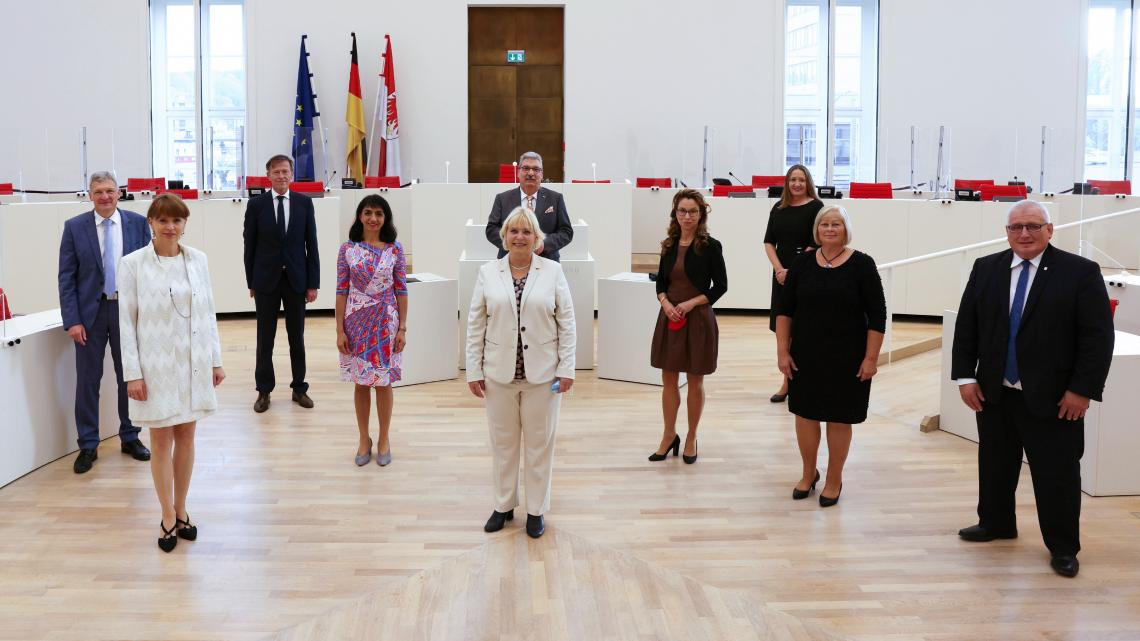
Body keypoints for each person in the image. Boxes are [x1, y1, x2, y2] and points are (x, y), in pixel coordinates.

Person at [951, 200, 1114, 578]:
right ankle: (996, 523)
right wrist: (965, 376)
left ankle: (1062, 547)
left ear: (1050, 229)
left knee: (1057, 474)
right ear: (1006, 232)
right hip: (995, 391)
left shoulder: (1080, 272)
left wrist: (1081, 390)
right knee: (995, 464)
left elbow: (1096, 337)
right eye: (1016, 227)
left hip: (1056, 398)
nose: (1024, 234)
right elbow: (968, 327)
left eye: (1033, 226)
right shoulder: (986, 268)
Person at [118, 193, 225, 552]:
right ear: (150, 222)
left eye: (177, 221)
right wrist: (133, 373)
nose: (170, 227)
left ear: (184, 225)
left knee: (188, 435)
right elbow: (126, 322)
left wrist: (215, 360)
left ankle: (182, 508)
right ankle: (166, 514)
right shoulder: (133, 264)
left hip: (194, 361)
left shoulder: (198, 260)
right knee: (161, 440)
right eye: (163, 220)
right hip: (155, 365)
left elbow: (208, 312)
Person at [467, 206, 576, 539]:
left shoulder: (553, 272)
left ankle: (536, 510)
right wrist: (473, 368)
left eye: (526, 231)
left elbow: (567, 323)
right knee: (504, 445)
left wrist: (567, 367)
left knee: (540, 445)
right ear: (504, 237)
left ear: (536, 238)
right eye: (513, 231)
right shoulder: (488, 272)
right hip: (499, 375)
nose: (519, 237)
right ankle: (503, 505)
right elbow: (476, 323)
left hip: (542, 376)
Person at [775, 204, 885, 507]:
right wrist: (782, 351)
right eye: (825, 224)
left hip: (848, 357)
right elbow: (785, 311)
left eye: (836, 224)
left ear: (845, 230)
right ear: (817, 230)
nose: (830, 229)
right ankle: (809, 473)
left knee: (839, 418)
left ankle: (834, 478)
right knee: (805, 415)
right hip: (805, 354)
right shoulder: (802, 263)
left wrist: (871, 358)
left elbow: (877, 315)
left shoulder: (862, 264)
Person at [57, 171, 152, 474]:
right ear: (90, 195)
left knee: (131, 378)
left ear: (119, 193)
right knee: (88, 381)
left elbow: (149, 271)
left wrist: (146, 315)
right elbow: (66, 278)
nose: (105, 196)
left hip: (128, 312)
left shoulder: (138, 224)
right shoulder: (74, 228)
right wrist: (72, 320)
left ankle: (130, 436)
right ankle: (88, 444)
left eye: (110, 190)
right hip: (90, 315)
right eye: (98, 191)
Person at [648, 189, 728, 465]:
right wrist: (665, 302)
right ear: (675, 213)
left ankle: (692, 436)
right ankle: (669, 435)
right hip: (670, 317)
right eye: (682, 211)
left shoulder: (710, 246)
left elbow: (721, 287)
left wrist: (691, 303)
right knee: (668, 380)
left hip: (697, 319)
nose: (687, 216)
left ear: (701, 214)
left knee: (695, 380)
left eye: (693, 211)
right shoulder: (669, 244)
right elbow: (660, 283)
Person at [335, 195, 408, 467]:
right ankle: (364, 439)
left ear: (385, 218)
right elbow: (341, 290)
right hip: (356, 323)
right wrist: (340, 330)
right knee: (362, 382)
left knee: (384, 382)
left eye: (379, 213)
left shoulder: (395, 250)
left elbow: (401, 289)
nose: (373, 218)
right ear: (359, 216)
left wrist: (402, 328)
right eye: (368, 212)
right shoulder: (347, 250)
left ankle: (384, 438)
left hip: (386, 323)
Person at [243, 155, 320, 413]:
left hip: (296, 280)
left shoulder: (304, 204)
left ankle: (300, 388)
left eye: (285, 171)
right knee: (265, 339)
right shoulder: (256, 205)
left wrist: (313, 283)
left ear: (292, 174)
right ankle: (264, 391)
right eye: (276, 172)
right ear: (268, 175)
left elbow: (312, 245)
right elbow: (249, 247)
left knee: (296, 338)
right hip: (266, 280)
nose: (281, 176)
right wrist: (251, 280)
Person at [763, 164, 822, 403]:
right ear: (787, 183)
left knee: (801, 328)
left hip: (804, 273)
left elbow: (815, 241)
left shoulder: (816, 207)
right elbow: (769, 242)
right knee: (782, 328)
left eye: (801, 179)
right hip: (781, 275)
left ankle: (801, 380)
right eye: (792, 180)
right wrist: (779, 269)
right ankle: (786, 381)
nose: (796, 184)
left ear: (808, 182)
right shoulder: (778, 207)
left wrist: (792, 271)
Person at [485, 151, 574, 261]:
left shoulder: (555, 199)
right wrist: (511, 243)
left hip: (547, 262)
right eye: (526, 168)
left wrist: (543, 244)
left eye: (536, 169)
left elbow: (566, 232)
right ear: (518, 172)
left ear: (542, 174)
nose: (531, 173)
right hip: (509, 261)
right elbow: (491, 229)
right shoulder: (502, 199)